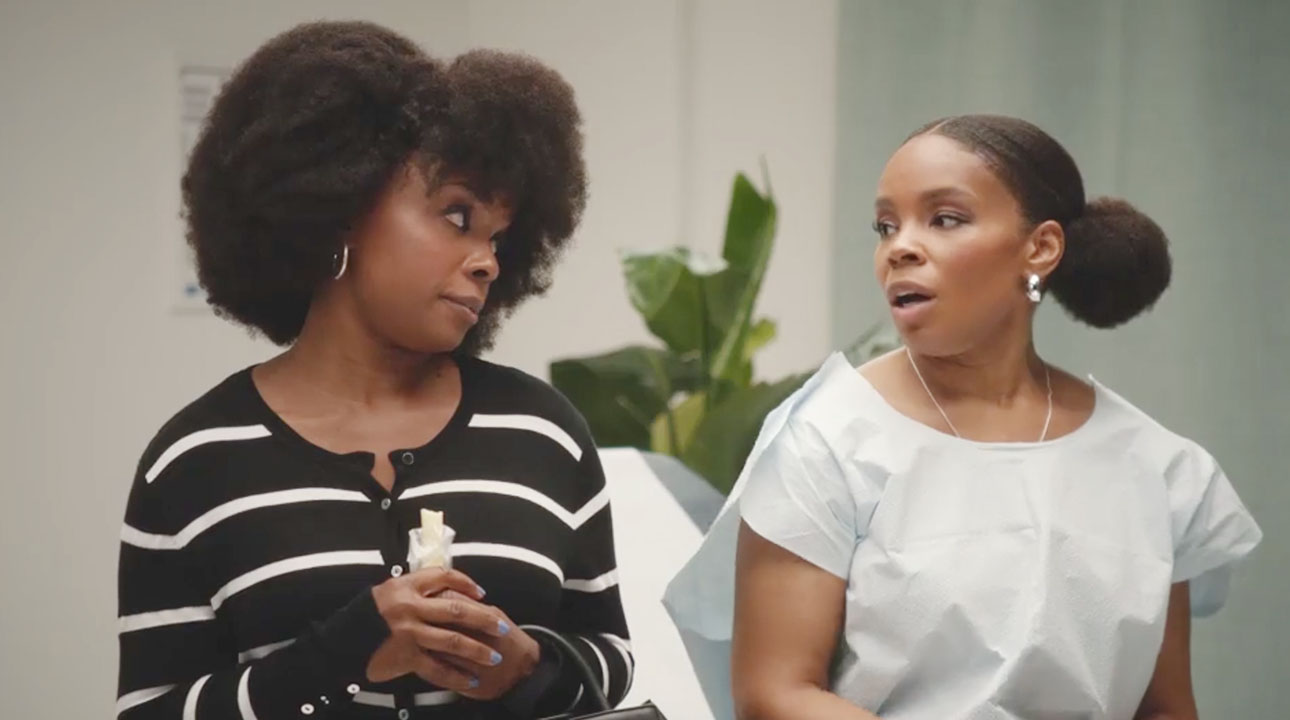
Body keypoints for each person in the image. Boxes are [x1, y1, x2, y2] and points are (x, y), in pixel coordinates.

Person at [665, 114, 1262, 719]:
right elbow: (775, 696)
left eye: (945, 218)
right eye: (885, 226)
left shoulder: (1155, 468)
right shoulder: (825, 441)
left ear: (1042, 248)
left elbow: (1165, 707)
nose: (899, 247)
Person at [116, 21, 632, 720]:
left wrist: (527, 665)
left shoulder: (544, 435)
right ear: (342, 207)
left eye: (499, 238)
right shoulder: (195, 463)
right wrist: (339, 655)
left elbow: (609, 656)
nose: (487, 261)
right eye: (457, 215)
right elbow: (150, 711)